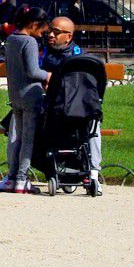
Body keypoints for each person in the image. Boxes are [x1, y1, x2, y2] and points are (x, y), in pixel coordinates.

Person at [42, 15, 102, 182]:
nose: (50, 35)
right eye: (49, 31)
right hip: (56, 106)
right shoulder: (45, 55)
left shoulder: (80, 58)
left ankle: (94, 171)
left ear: (69, 37)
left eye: (56, 32)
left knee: (93, 125)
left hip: (79, 106)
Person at [0, 8, 51, 192]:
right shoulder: (29, 42)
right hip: (31, 95)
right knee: (28, 140)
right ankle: (22, 179)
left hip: (15, 95)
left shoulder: (11, 39)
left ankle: (12, 177)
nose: (42, 34)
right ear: (33, 25)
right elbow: (33, 71)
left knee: (17, 139)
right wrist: (48, 75)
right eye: (42, 30)